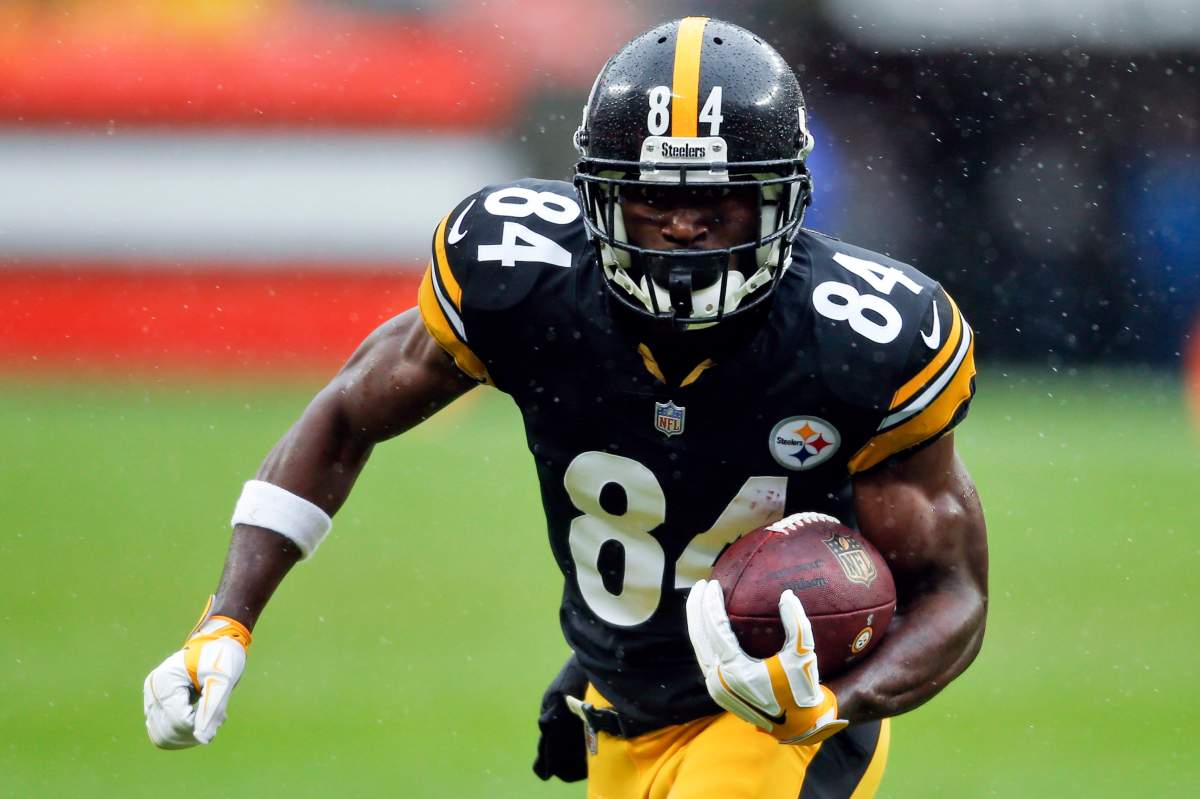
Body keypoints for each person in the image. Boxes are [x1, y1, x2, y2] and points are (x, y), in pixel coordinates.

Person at [143, 17, 988, 798]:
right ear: (597, 199)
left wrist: (834, 703)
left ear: (784, 202)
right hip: (619, 704)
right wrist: (226, 621)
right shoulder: (523, 280)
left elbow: (953, 592)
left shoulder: (864, 338)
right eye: (653, 200)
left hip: (779, 723)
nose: (683, 229)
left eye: (715, 201)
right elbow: (345, 415)